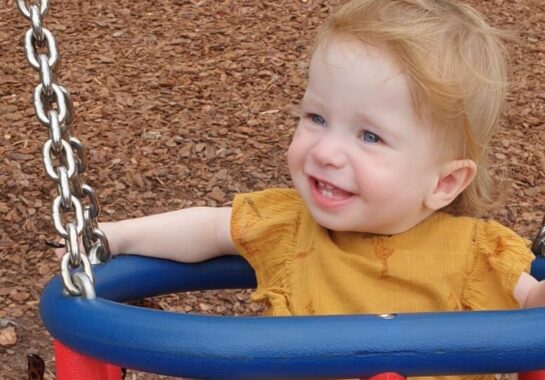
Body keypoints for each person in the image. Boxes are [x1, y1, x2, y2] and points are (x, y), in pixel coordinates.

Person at [57, 0, 545, 378]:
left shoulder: (475, 255)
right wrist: (111, 237)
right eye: (316, 117)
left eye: (369, 136)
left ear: (444, 182)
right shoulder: (287, 226)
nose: (326, 151)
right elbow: (206, 227)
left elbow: (535, 308)